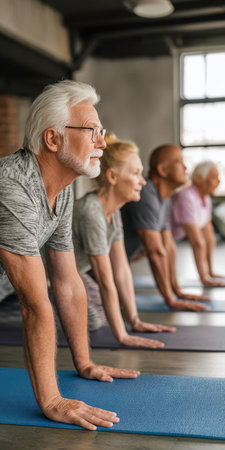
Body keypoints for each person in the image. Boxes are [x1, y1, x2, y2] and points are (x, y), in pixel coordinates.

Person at [0, 80, 141, 432]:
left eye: (101, 130)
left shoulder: (61, 190)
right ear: (53, 139)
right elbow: (34, 303)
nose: (101, 141)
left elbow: (67, 281)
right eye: (91, 130)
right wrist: (51, 400)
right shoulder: (11, 186)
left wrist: (85, 363)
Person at [73, 133, 175, 349]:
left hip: (69, 276)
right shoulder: (91, 212)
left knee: (95, 315)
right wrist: (122, 336)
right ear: (112, 177)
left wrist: (134, 320)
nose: (143, 181)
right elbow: (105, 279)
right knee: (93, 321)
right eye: (136, 173)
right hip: (35, 280)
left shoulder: (113, 211)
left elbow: (120, 269)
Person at [121, 144, 210, 312]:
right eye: (179, 162)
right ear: (162, 170)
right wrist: (170, 299)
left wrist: (177, 291)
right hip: (91, 271)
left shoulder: (165, 198)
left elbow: (168, 247)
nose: (185, 167)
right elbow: (155, 251)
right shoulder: (145, 194)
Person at [170, 161, 225, 286]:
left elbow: (209, 237)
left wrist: (210, 272)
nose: (218, 182)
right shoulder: (186, 196)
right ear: (198, 178)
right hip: (149, 239)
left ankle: (209, 273)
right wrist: (204, 279)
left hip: (170, 239)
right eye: (214, 178)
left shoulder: (206, 198)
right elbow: (197, 242)